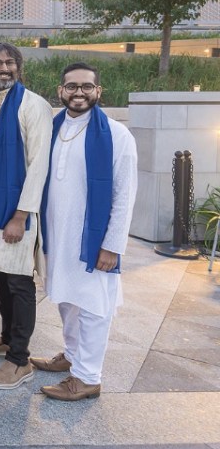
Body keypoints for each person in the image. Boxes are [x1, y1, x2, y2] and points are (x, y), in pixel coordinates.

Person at [33, 62, 137, 400]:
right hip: (58, 234)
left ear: (98, 91)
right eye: (72, 86)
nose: (79, 92)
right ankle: (73, 355)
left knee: (92, 304)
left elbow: (125, 194)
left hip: (93, 239)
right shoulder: (53, 128)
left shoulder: (116, 135)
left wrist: (112, 245)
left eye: (86, 86)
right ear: (61, 91)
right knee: (66, 298)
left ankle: (88, 377)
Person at [0, 42, 52, 390]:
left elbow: (38, 165)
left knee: (19, 282)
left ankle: (20, 360)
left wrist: (20, 216)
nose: (3, 68)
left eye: (9, 62)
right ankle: (7, 338)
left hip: (16, 210)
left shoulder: (33, 105)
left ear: (19, 68)